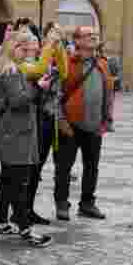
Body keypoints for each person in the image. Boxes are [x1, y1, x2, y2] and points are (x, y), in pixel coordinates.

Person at [0, 31, 53, 247]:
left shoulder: (12, 69)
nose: (26, 51)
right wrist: (38, 87)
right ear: (11, 48)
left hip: (14, 133)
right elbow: (18, 101)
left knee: (8, 182)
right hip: (15, 135)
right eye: (21, 47)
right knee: (18, 184)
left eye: (27, 47)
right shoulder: (10, 71)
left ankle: (2, 223)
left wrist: (38, 88)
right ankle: (25, 230)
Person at [53, 26, 114, 222]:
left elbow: (108, 92)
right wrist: (61, 120)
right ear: (77, 40)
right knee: (64, 167)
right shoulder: (67, 63)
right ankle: (62, 204)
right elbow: (56, 94)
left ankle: (87, 204)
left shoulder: (102, 63)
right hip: (70, 125)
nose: (93, 37)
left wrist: (107, 119)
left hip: (95, 125)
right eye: (88, 35)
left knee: (92, 166)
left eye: (95, 35)